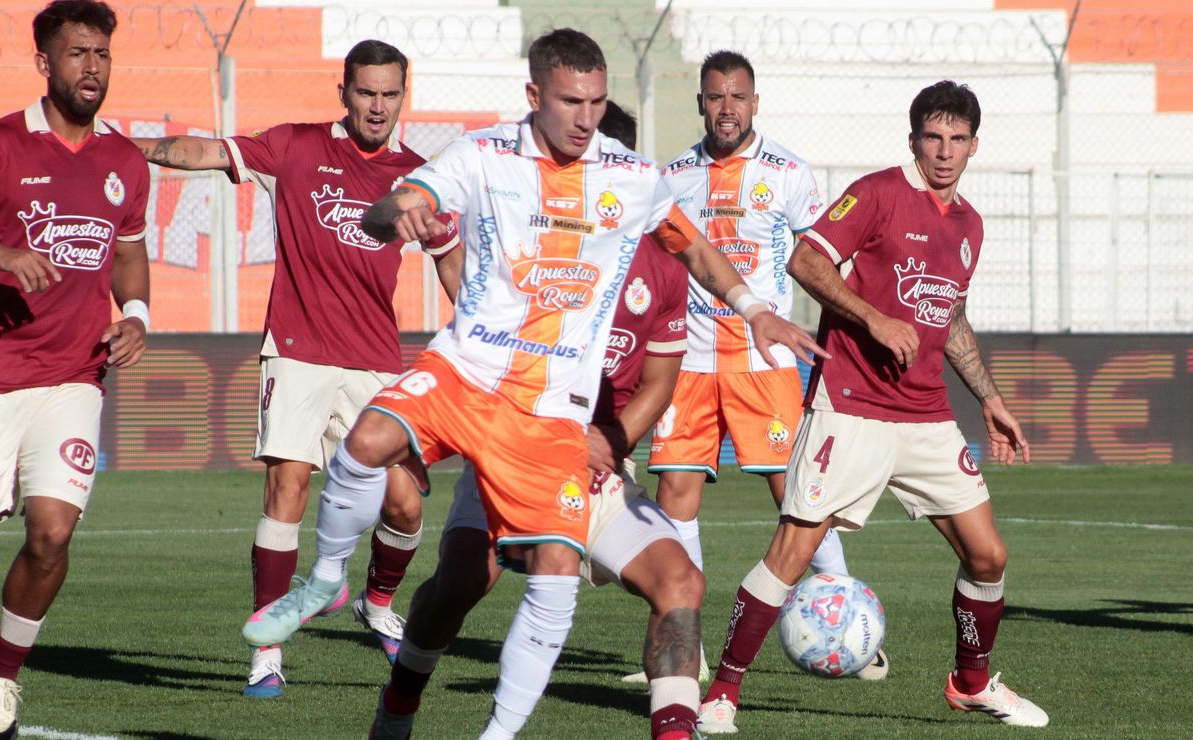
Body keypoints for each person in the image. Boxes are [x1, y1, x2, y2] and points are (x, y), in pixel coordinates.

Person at [241, 28, 824, 740]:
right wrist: (400, 213)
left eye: (597, 103)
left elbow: (693, 256)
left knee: (569, 574)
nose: (586, 118)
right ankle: (331, 585)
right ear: (534, 97)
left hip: (551, 421)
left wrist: (754, 310)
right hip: (468, 373)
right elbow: (386, 205)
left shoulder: (634, 184)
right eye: (571, 102)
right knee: (372, 448)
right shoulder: (485, 155)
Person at [696, 80, 1049, 733]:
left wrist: (991, 399)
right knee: (793, 553)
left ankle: (971, 685)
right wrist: (872, 318)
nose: (944, 151)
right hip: (850, 406)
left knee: (988, 556)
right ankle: (721, 693)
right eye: (932, 137)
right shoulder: (880, 192)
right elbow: (807, 260)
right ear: (913, 138)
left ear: (974, 145)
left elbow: (953, 317)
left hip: (927, 414)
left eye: (957, 139)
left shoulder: (970, 223)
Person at [365, 101, 705, 740]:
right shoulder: (534, 236)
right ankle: (400, 703)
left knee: (680, 580)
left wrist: (611, 438)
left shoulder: (664, 265)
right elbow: (474, 327)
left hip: (596, 464)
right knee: (461, 583)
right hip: (511, 438)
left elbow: (659, 382)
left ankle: (676, 731)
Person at [131, 40, 455, 698]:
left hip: (375, 361)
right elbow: (206, 152)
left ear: (404, 95)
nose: (378, 105)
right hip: (298, 349)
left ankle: (376, 601)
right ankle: (267, 651)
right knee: (287, 490)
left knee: (406, 503)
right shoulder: (297, 146)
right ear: (344, 91)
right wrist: (126, 149)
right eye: (366, 91)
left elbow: (452, 258)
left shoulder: (417, 177)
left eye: (390, 93)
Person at [643, 49, 884, 683]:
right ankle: (684, 649)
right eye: (716, 96)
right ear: (700, 102)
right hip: (688, 363)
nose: (727, 108)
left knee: (798, 492)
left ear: (756, 102)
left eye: (738, 97)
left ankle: (850, 617)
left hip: (765, 359)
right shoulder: (670, 179)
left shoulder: (789, 173)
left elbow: (825, 263)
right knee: (676, 494)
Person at [0, 1, 151, 735]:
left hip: (73, 377)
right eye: (78, 54)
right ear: (44, 64)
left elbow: (126, 251)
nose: (93, 68)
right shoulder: (0, 144)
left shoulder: (123, 161)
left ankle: (1, 680)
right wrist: (1, 255)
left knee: (52, 532)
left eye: (102, 55)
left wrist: (138, 316)